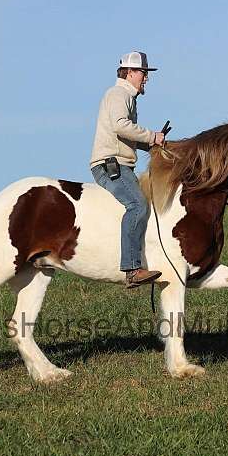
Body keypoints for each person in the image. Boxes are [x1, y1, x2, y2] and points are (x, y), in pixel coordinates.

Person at [90, 51, 165, 288]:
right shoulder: (118, 94)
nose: (146, 78)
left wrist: (155, 144)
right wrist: (153, 136)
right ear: (130, 72)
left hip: (118, 162)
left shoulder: (126, 97)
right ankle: (132, 270)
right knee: (137, 204)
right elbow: (121, 126)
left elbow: (127, 135)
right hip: (111, 165)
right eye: (143, 73)